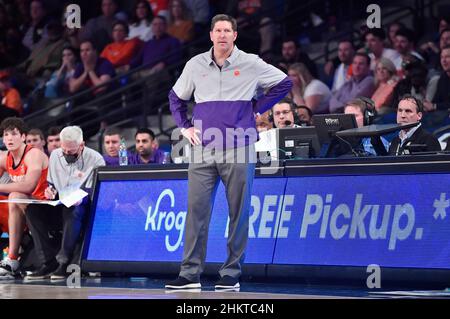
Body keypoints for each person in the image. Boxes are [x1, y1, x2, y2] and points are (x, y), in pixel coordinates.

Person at [166, 14, 291, 290]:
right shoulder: (195, 64)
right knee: (196, 210)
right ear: (211, 35)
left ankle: (231, 273)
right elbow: (176, 98)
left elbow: (284, 83)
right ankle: (189, 274)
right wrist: (185, 127)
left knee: (239, 211)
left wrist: (257, 107)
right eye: (218, 30)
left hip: (239, 144)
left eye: (227, 30)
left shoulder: (251, 63)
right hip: (202, 148)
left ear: (235, 35)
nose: (222, 35)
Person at [25, 126, 105, 280]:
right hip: (60, 202)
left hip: (82, 205)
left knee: (73, 210)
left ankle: (64, 261)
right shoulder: (55, 155)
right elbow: (52, 184)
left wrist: (81, 198)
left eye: (71, 152)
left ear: (81, 145)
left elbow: (95, 190)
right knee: (32, 210)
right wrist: (50, 191)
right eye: (64, 151)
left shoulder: (96, 159)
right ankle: (48, 262)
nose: (67, 154)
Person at [0, 117, 48, 279]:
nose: (9, 138)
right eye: (6, 135)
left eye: (14, 134)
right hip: (26, 208)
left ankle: (12, 259)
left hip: (47, 204)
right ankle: (12, 258)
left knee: (15, 196)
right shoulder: (4, 158)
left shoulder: (33, 154)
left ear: (23, 137)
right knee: (14, 198)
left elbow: (29, 186)